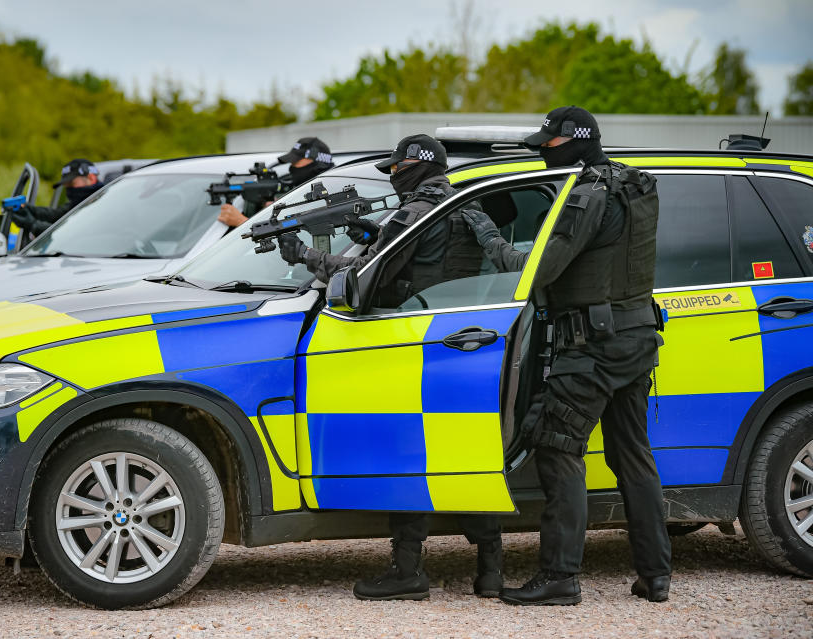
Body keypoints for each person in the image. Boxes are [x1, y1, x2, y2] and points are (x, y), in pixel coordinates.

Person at [460, 106, 671, 605]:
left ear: (574, 141)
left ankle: (560, 576)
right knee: (632, 455)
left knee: (558, 447)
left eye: (546, 146)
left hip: (592, 347)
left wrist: (488, 233)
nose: (540, 155)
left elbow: (539, 270)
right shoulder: (634, 185)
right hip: (637, 338)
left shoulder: (588, 195)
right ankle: (655, 574)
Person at [279, 133, 504, 601]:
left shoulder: (412, 213)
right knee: (464, 457)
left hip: (414, 339)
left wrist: (304, 255)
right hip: (471, 338)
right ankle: (490, 570)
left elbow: (360, 276)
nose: (394, 179)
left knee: (411, 459)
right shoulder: (467, 205)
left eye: (397, 170)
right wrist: (373, 235)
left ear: (412, 168)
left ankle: (407, 572)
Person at [218, 137, 335, 228]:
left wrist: (241, 222)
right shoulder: (305, 189)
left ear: (318, 162)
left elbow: (299, 238)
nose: (292, 167)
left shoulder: (330, 192)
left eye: (296, 161)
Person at [8, 158, 104, 238]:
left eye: (71, 184)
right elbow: (55, 215)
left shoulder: (103, 204)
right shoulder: (78, 204)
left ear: (91, 178)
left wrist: (33, 225)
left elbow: (73, 235)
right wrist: (29, 209)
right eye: (66, 186)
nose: (69, 189)